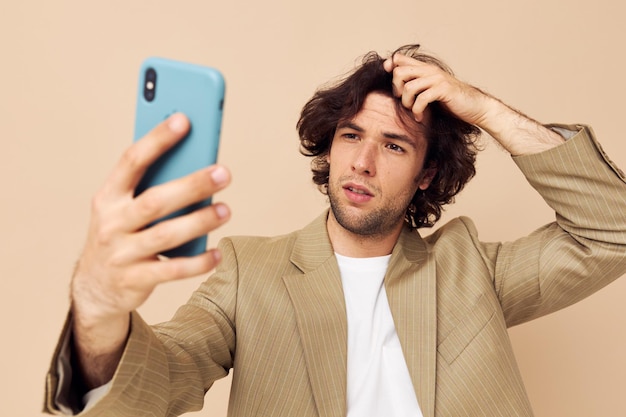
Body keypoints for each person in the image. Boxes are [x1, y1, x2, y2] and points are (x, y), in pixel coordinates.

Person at [44, 44, 626, 416]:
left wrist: (487, 111)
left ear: (427, 176)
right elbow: (158, 381)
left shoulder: (472, 270)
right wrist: (97, 309)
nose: (363, 162)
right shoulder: (250, 272)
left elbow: (613, 229)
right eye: (351, 136)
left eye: (393, 145)